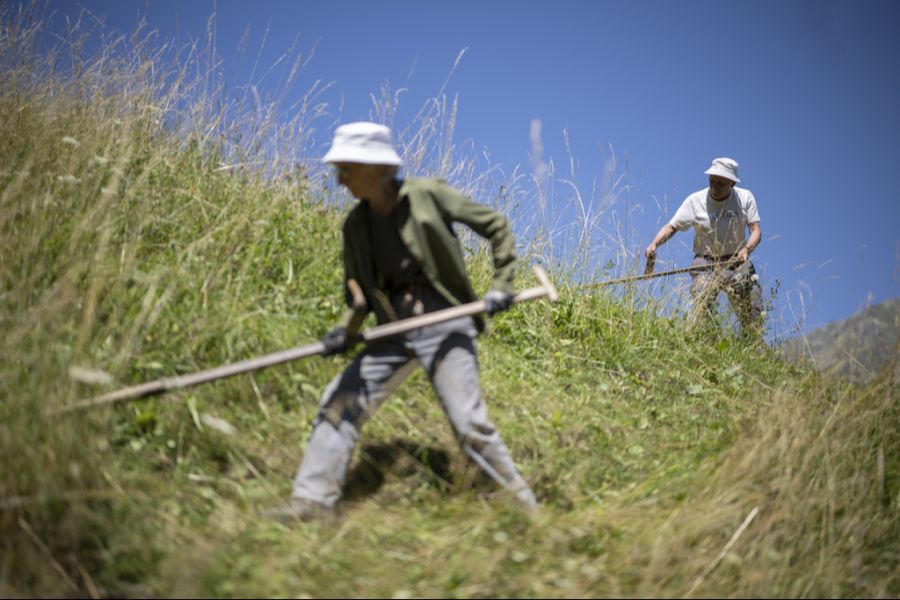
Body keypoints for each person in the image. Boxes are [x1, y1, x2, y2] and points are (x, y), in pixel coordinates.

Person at [266, 122, 537, 522]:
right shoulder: (355, 226)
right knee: (339, 403)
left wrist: (502, 284)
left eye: (347, 168)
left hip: (447, 320)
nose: (340, 180)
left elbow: (495, 226)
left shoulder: (427, 194)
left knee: (468, 423)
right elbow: (358, 293)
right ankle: (314, 502)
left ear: (375, 167)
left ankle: (525, 512)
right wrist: (345, 331)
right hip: (393, 329)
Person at [644, 157, 764, 338]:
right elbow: (672, 227)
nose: (715, 186)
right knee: (701, 300)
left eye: (721, 183)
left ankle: (754, 345)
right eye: (712, 181)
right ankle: (704, 339)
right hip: (705, 262)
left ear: (732, 183)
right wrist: (654, 243)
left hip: (737, 260)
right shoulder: (695, 201)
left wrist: (747, 249)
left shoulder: (745, 197)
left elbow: (756, 230)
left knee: (752, 309)